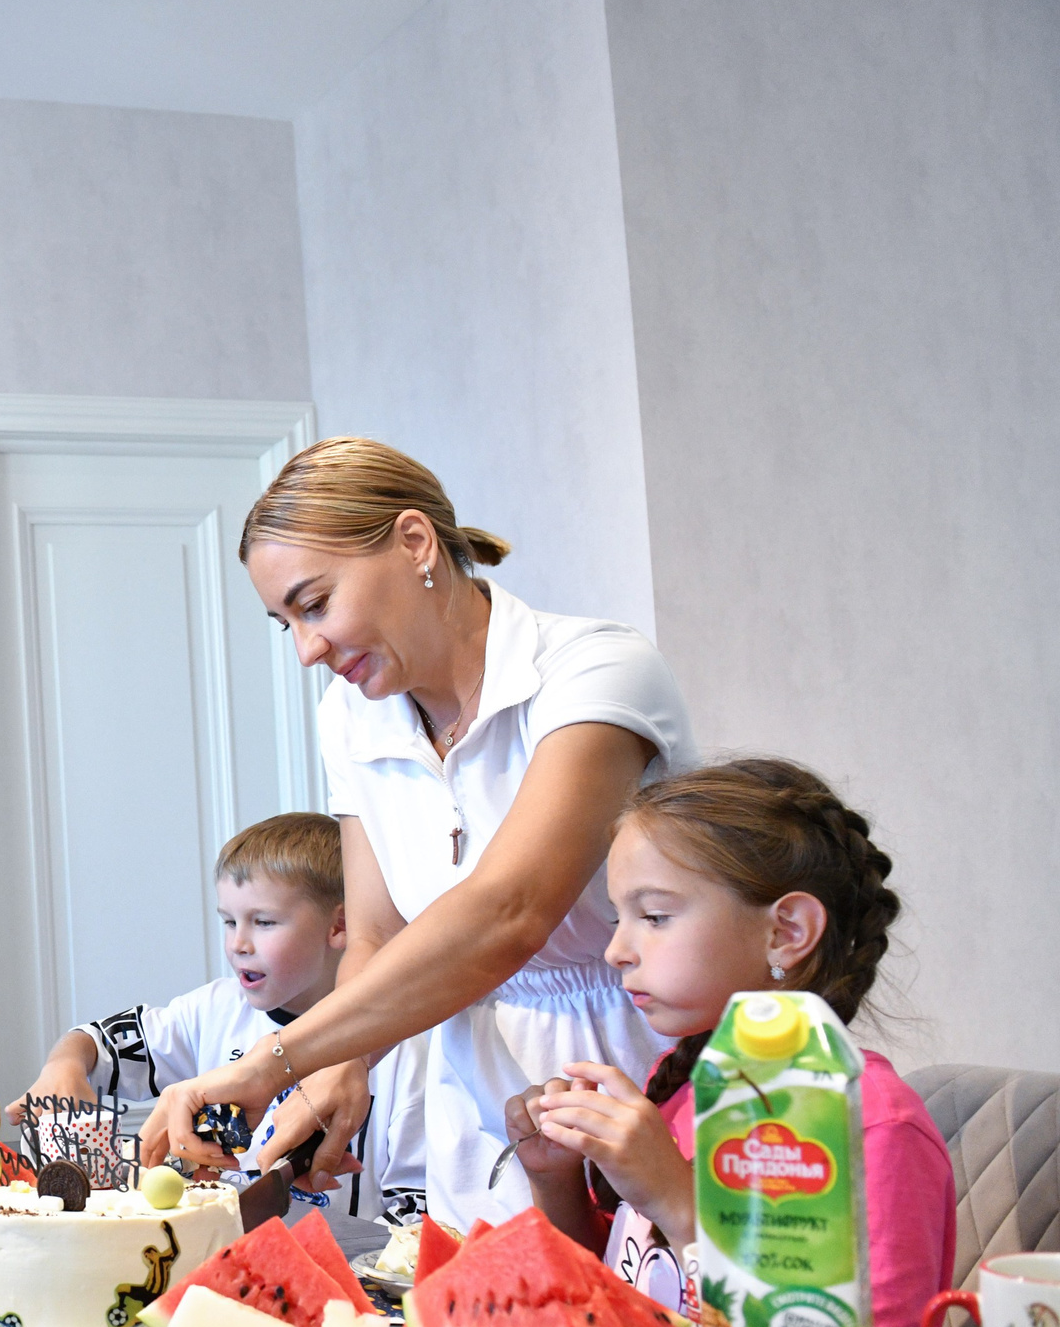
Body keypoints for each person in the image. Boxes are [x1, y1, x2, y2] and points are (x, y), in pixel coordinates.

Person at [139, 437, 696, 1230]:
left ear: (414, 542)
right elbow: (375, 933)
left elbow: (509, 913)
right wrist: (345, 1061)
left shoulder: (594, 670)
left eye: (315, 604)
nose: (306, 649)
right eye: (284, 622)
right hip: (475, 1098)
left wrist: (274, 1061)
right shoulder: (350, 716)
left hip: (639, 1061)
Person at [505, 759, 954, 1327]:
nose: (616, 951)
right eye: (617, 919)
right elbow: (618, 1297)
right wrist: (557, 1181)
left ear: (786, 932)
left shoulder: (873, 1127)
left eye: (654, 916)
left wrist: (677, 1201)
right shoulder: (680, 1083)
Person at [23, 812, 426, 1219]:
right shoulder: (210, 1011)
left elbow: (415, 1219)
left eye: (263, 922)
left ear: (339, 925)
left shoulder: (403, 1054)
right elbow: (95, 1042)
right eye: (229, 922)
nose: (238, 944)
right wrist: (64, 1066)